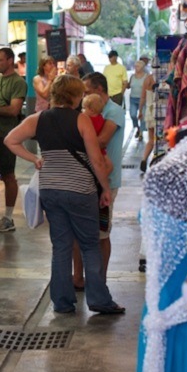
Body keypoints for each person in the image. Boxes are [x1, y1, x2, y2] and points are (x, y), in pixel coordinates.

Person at [4, 75, 124, 315]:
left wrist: (35, 159)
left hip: (50, 189)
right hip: (80, 190)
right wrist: (106, 189)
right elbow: (97, 160)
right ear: (75, 96)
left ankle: (61, 302)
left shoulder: (37, 119)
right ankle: (99, 300)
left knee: (61, 246)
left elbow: (10, 140)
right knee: (90, 245)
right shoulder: (81, 119)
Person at [78, 72, 125, 284]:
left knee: (101, 233)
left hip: (106, 181)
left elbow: (102, 141)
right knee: (80, 231)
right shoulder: (86, 112)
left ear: (99, 90)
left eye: (86, 91)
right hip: (86, 180)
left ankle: (100, 279)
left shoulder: (113, 112)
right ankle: (79, 276)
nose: (83, 96)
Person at [0, 47, 27, 232]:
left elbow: (13, 110)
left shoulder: (18, 83)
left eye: (0, 60)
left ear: (10, 60)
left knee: (8, 175)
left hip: (6, 135)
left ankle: (8, 218)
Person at [82, 94, 114, 175]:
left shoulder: (88, 120)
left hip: (94, 149)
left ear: (92, 110)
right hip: (102, 151)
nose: (83, 110)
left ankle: (98, 179)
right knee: (109, 166)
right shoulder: (101, 118)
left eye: (84, 108)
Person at [139, 72, 156, 172]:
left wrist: (140, 111)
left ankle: (144, 159)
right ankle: (155, 159)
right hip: (162, 111)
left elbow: (143, 97)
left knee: (151, 139)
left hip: (149, 112)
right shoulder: (166, 78)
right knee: (160, 139)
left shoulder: (148, 79)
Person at [127, 60, 148, 140]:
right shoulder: (132, 76)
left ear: (142, 67)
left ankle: (141, 133)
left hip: (143, 99)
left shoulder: (146, 76)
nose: (136, 68)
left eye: (138, 66)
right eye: (135, 66)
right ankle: (137, 128)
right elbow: (129, 86)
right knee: (132, 115)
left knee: (142, 117)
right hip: (133, 99)